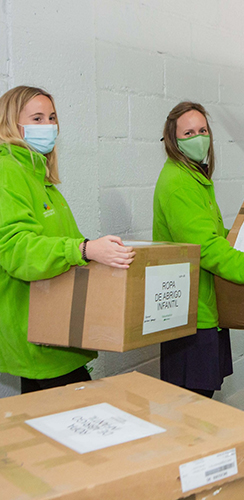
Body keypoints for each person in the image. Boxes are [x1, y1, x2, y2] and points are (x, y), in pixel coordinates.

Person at [0, 86, 136, 394]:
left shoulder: (41, 179)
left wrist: (92, 249)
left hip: (53, 331)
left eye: (51, 117)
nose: (48, 126)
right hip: (35, 331)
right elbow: (17, 250)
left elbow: (61, 244)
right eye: (36, 118)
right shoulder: (8, 171)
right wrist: (84, 249)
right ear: (10, 123)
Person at [153, 102, 244, 399]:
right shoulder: (179, 183)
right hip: (192, 318)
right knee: (192, 413)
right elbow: (207, 248)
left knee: (199, 408)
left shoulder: (195, 179)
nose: (198, 138)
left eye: (203, 130)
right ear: (173, 140)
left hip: (205, 311)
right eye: (188, 133)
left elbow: (214, 237)